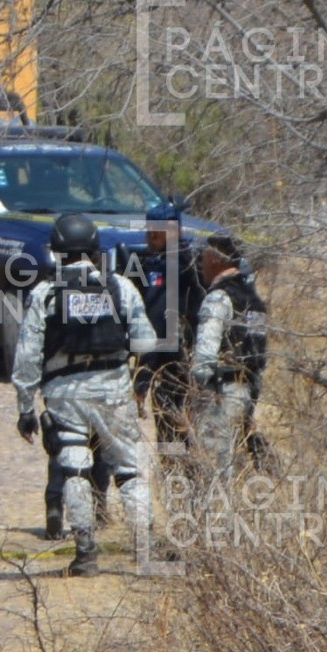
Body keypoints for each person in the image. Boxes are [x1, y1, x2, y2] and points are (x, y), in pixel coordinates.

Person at [13, 214, 156, 576]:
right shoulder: (121, 287)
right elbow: (145, 340)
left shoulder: (44, 295)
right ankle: (145, 549)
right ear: (94, 250)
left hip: (65, 394)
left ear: (57, 253)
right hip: (112, 388)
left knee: (75, 468)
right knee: (129, 471)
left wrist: (26, 409)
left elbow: (28, 357)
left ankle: (85, 553)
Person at [190, 234, 268, 480]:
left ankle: (215, 516)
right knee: (233, 464)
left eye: (203, 258)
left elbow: (205, 355)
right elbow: (258, 354)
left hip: (219, 394)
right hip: (246, 393)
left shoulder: (217, 298)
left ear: (215, 260)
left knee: (213, 468)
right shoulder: (255, 301)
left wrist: (197, 392)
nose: (200, 264)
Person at [130, 204, 206, 452]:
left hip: (178, 373)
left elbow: (158, 327)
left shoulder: (174, 268)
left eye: (153, 233)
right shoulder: (196, 260)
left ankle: (179, 485)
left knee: (174, 446)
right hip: (199, 370)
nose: (148, 239)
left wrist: (142, 377)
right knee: (193, 444)